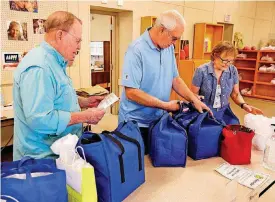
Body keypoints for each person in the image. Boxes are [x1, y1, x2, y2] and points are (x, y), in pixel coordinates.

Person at [13, 11, 105, 160]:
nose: (79, 47)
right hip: (42, 159)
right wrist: (83, 117)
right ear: (60, 35)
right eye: (77, 40)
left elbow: (55, 96)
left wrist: (83, 102)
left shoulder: (54, 62)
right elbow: (40, 119)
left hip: (60, 153)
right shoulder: (40, 67)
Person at [119, 10, 211, 154]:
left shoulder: (168, 48)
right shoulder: (136, 50)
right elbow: (131, 92)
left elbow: (175, 79)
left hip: (158, 121)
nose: (175, 43)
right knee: (138, 169)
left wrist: (194, 99)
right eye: (174, 38)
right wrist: (165, 105)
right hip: (135, 123)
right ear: (162, 29)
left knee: (157, 165)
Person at [191, 41, 263, 116]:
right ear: (215, 55)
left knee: (234, 126)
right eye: (225, 60)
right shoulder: (201, 71)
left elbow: (235, 94)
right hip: (204, 111)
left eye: (230, 61)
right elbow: (193, 95)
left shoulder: (233, 70)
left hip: (223, 111)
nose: (227, 64)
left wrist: (244, 105)